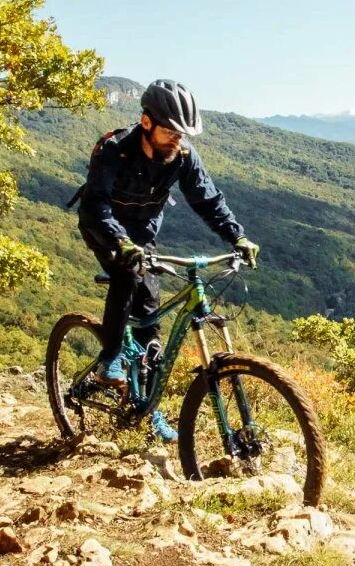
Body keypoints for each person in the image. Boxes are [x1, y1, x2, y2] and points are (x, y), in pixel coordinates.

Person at [76, 79, 258, 437]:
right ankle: (109, 358)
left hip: (143, 233)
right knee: (128, 272)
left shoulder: (183, 156)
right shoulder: (114, 149)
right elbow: (95, 204)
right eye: (171, 132)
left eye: (183, 133)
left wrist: (237, 236)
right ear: (147, 122)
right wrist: (119, 240)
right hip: (103, 226)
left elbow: (208, 200)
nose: (178, 139)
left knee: (150, 325)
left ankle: (147, 405)